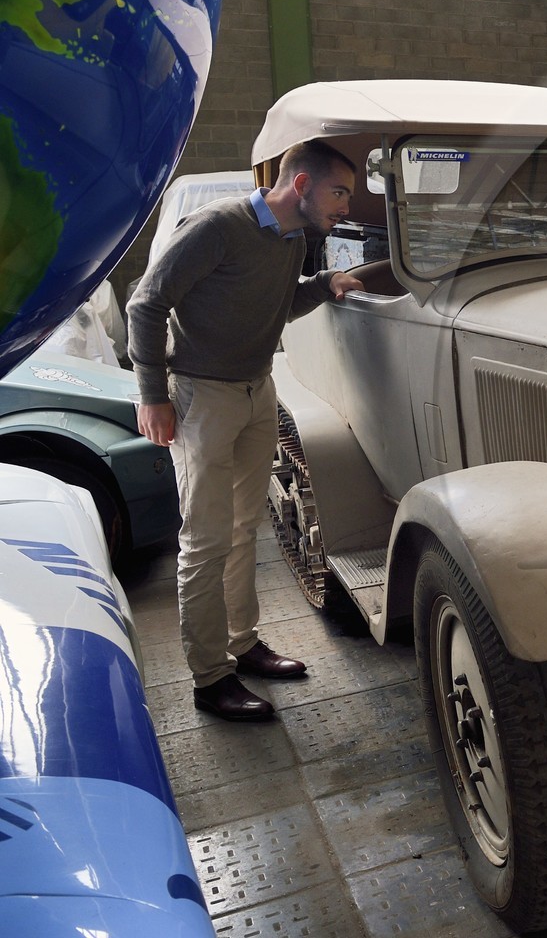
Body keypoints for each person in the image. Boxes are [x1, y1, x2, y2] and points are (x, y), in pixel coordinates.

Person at [127, 139, 364, 722]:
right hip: (202, 397)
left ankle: (242, 643)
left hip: (257, 392)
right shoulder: (217, 226)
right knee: (205, 541)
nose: (346, 207)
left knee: (242, 529)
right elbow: (145, 305)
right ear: (301, 184)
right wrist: (153, 396)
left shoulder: (292, 238)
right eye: (339, 193)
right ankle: (210, 678)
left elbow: (277, 305)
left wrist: (326, 283)